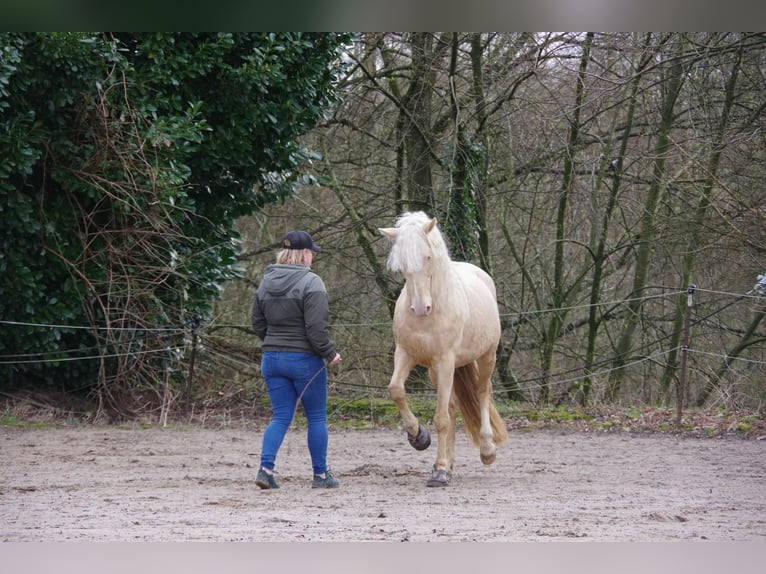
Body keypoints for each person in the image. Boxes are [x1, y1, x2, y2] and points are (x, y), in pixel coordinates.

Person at [251, 230, 342, 489]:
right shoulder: (312, 283)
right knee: (316, 418)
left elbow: (257, 322)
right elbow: (316, 328)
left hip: (271, 359)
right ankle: (321, 475)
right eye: (311, 252)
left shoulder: (266, 282)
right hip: (304, 361)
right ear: (304, 254)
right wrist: (329, 352)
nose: (313, 257)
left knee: (280, 417)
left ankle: (265, 469)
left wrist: (274, 341)